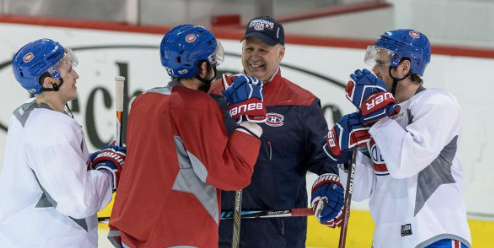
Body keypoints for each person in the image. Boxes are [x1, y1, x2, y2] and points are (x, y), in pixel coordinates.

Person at [108, 24, 266, 248]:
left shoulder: (143, 101)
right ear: (202, 68)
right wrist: (250, 125)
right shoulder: (197, 107)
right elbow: (228, 175)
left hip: (133, 229)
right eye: (211, 60)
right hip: (176, 233)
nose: (214, 66)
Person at [324, 29, 472, 248]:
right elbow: (360, 191)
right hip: (387, 241)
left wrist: (376, 118)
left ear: (404, 67)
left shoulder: (437, 103)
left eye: (381, 62)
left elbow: (405, 162)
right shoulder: (374, 118)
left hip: (434, 236)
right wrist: (346, 158)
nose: (374, 69)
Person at [210, 16, 344, 248]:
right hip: (218, 230)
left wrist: (329, 184)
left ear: (280, 53)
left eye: (264, 49)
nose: (254, 56)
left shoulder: (302, 104)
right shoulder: (217, 94)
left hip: (279, 235)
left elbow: (326, 161)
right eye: (249, 48)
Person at [0, 38, 126, 248]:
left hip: (22, 235)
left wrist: (93, 161)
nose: (76, 75)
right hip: (50, 239)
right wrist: (108, 171)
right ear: (50, 82)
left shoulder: (26, 110)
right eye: (69, 71)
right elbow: (79, 201)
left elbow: (48, 175)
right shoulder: (53, 130)